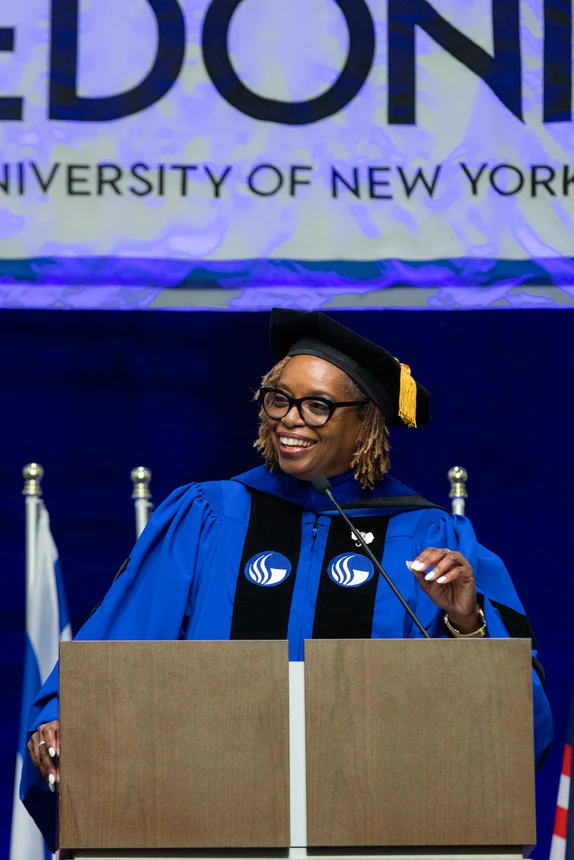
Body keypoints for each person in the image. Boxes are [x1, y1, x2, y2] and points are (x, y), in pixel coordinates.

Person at [23, 308, 553, 849]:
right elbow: (118, 640)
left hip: (376, 828)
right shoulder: (208, 515)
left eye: (318, 406)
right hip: (207, 817)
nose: (290, 419)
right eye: (279, 398)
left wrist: (467, 621)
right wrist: (64, 717)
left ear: (365, 421)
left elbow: (516, 729)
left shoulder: (427, 536)